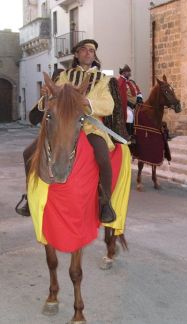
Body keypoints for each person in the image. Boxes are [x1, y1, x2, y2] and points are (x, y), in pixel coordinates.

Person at [16, 39, 116, 222]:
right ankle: (30, 197)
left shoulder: (103, 79)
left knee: (103, 157)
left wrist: (88, 102)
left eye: (91, 50)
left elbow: (109, 105)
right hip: (63, 125)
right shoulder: (64, 76)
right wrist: (46, 96)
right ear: (76, 54)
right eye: (83, 50)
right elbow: (54, 99)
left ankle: (105, 202)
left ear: (94, 55)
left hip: (90, 126)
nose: (88, 53)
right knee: (28, 153)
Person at [117, 64, 143, 136]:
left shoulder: (131, 82)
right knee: (129, 115)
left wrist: (139, 98)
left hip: (135, 105)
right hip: (126, 106)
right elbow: (120, 96)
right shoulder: (120, 82)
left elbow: (137, 90)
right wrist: (129, 104)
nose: (130, 74)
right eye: (128, 72)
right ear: (124, 72)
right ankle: (129, 134)